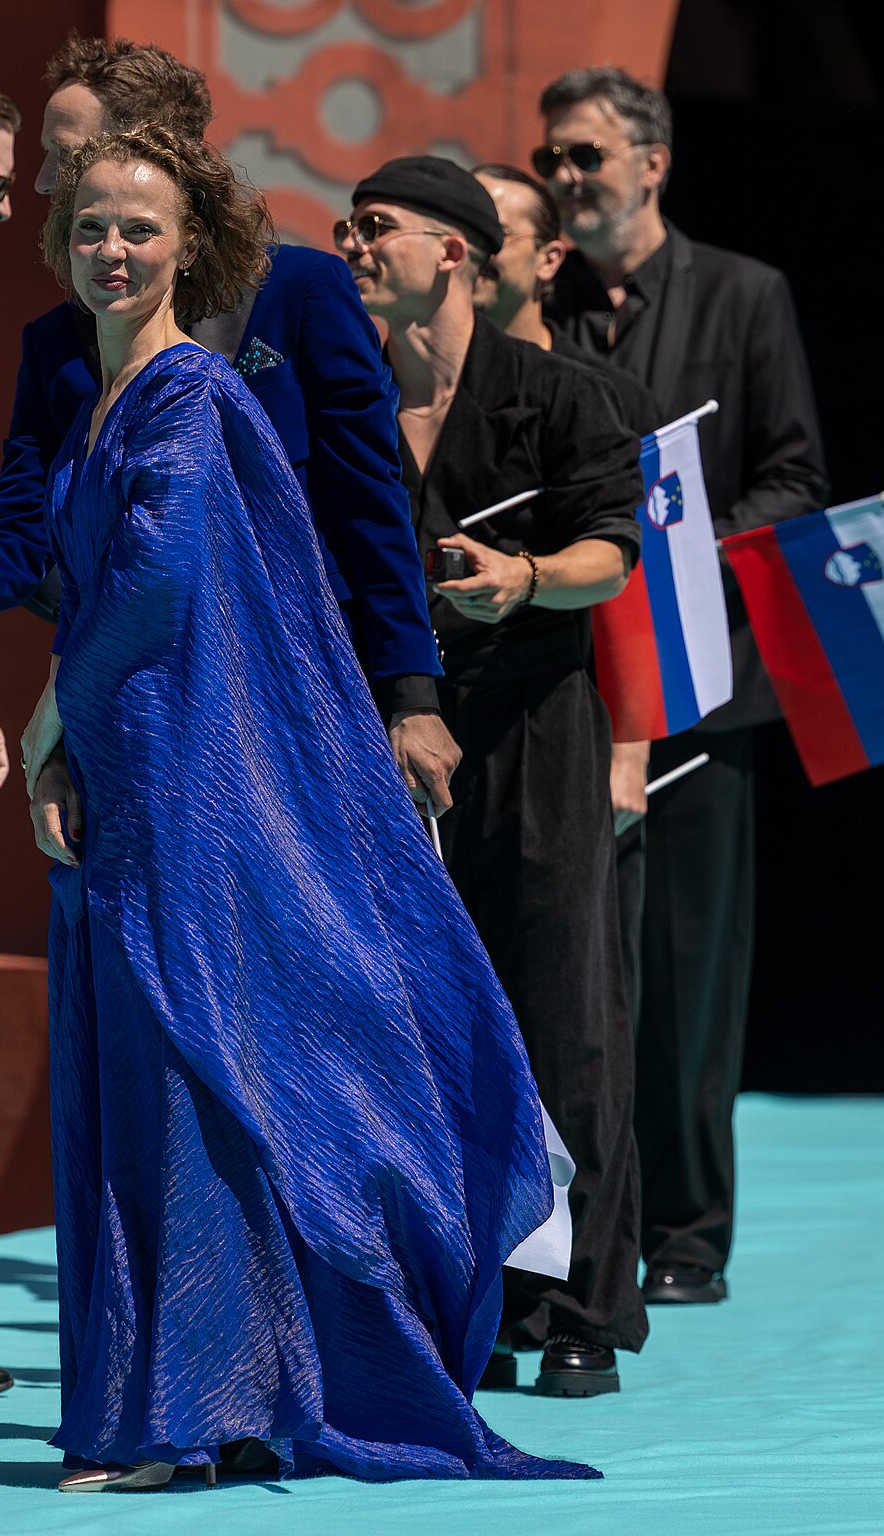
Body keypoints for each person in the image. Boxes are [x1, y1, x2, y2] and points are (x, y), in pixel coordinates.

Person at [0, 123, 594, 1491]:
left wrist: (58, 735)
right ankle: (186, 1397)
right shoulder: (101, 393)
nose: (112, 248)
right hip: (123, 758)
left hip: (180, 773)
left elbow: (150, 587)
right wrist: (66, 745)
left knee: (189, 1064)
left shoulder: (190, 399)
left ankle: (192, 1409)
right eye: (91, 226)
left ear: (191, 246)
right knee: (138, 1073)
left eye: (139, 229)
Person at [0, 36, 460, 819]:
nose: (34, 182)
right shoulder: (54, 346)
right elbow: (21, 544)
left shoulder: (303, 293)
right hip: (138, 712)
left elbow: (373, 508)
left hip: (303, 695)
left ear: (145, 154)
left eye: (59, 157)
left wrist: (412, 697)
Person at [340, 155, 649, 1395]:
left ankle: (577, 1308)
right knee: (413, 1026)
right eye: (349, 228)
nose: (353, 247)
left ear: (456, 252)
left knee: (563, 1017)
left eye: (378, 229)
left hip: (535, 731)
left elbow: (612, 555)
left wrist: (521, 578)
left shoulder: (563, 393)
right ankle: (457, 1299)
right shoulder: (342, 405)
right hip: (392, 741)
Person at [538, 68, 829, 1306]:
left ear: (653, 164)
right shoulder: (539, 300)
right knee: (569, 967)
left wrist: (677, 554)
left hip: (702, 683)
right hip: (564, 679)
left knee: (689, 963)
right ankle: (573, 1225)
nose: (566, 180)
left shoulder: (747, 295)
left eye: (586, 159)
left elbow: (796, 479)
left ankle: (691, 1235)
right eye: (553, 160)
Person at [472, 161, 664, 992]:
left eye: (489, 237)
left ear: (549, 259)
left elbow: (637, 582)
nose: (465, 255)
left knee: (568, 986)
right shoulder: (392, 393)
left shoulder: (607, 398)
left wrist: (630, 750)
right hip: (445, 729)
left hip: (563, 731)